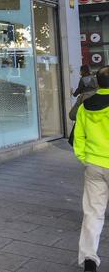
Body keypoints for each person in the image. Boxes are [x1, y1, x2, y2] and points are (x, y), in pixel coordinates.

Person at [74, 65, 109, 272]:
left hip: (94, 165)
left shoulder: (85, 106)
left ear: (98, 83)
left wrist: (84, 158)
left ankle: (89, 259)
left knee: (93, 213)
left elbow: (78, 136)